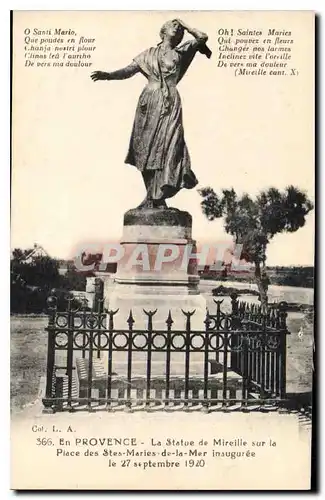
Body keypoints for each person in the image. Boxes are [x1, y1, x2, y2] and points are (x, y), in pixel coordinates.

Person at [91, 19, 210, 209]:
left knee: (170, 147)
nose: (177, 27)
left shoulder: (182, 52)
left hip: (171, 103)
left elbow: (202, 37)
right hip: (149, 103)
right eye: (174, 25)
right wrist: (109, 75)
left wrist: (185, 25)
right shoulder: (148, 54)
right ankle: (153, 197)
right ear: (163, 32)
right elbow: (128, 70)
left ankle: (158, 193)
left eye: (179, 28)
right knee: (145, 150)